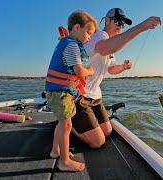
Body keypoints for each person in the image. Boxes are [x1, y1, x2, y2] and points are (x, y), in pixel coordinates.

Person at [71, 8, 162, 148]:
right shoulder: (99, 35)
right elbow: (104, 49)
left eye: (123, 24)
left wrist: (123, 67)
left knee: (107, 132)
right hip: (79, 96)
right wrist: (141, 27)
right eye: (118, 22)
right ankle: (68, 125)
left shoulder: (110, 43)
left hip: (95, 96)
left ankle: (81, 125)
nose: (120, 26)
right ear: (107, 20)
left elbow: (111, 69)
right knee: (98, 142)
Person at [45, 10, 97, 171]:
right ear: (76, 28)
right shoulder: (72, 46)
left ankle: (56, 151)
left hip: (58, 92)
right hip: (61, 93)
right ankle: (64, 161)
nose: (89, 37)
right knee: (66, 124)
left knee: (63, 123)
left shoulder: (67, 43)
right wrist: (91, 71)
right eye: (88, 32)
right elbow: (79, 70)